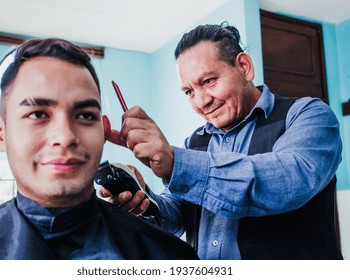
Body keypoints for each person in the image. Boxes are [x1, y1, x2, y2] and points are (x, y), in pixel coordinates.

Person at [103, 22, 343, 260]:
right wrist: (144, 201)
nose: (201, 102)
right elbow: (178, 217)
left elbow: (289, 180)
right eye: (189, 91)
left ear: (244, 67)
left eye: (208, 81)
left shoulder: (309, 115)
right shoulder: (194, 142)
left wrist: (176, 163)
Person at [0, 38, 199, 260]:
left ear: (104, 130)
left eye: (85, 115)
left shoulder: (171, 257)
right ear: (1, 132)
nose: (65, 137)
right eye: (37, 114)